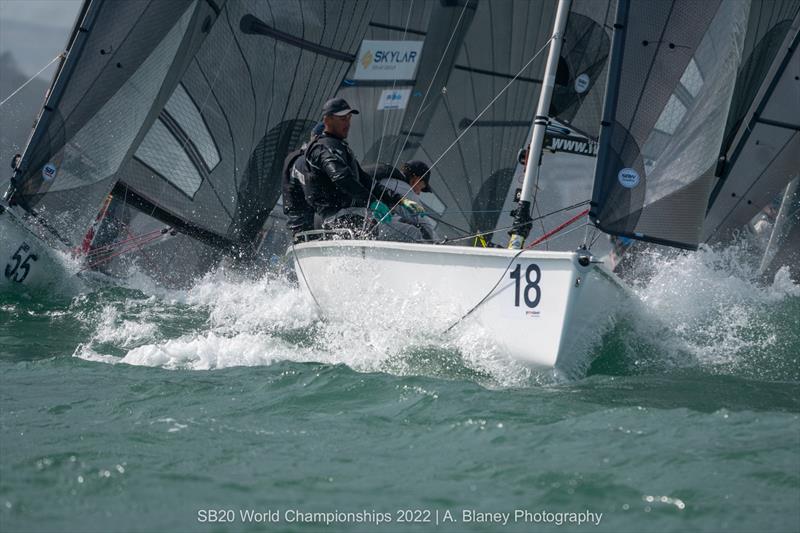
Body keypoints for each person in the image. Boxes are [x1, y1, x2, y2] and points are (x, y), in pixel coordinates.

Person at [281, 123, 323, 241]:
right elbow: (313, 196)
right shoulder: (303, 162)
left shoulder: (299, 157)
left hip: (302, 224)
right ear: (317, 140)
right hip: (305, 226)